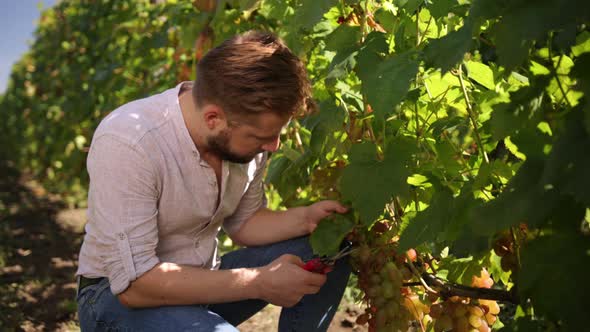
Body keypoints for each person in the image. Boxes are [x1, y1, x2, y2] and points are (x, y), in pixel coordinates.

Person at [75, 30, 351, 331]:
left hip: (201, 280)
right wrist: (259, 282)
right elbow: (135, 285)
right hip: (115, 297)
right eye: (262, 137)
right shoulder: (130, 141)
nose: (273, 146)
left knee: (329, 250)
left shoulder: (245, 135)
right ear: (213, 119)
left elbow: (245, 223)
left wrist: (307, 218)